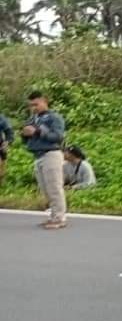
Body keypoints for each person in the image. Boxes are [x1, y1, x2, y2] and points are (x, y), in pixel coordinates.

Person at [21, 90, 67, 229]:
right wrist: (24, 134)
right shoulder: (32, 119)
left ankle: (60, 217)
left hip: (51, 154)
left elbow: (58, 137)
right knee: (45, 189)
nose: (33, 108)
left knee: (54, 187)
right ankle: (53, 216)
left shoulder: (54, 117)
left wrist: (38, 131)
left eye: (36, 104)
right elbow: (25, 140)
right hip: (37, 155)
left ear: (44, 101)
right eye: (31, 105)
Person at [0, 114, 13, 182]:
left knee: (2, 163)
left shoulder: (1, 118)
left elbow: (9, 131)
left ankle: (2, 180)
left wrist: (7, 141)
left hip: (0, 145)